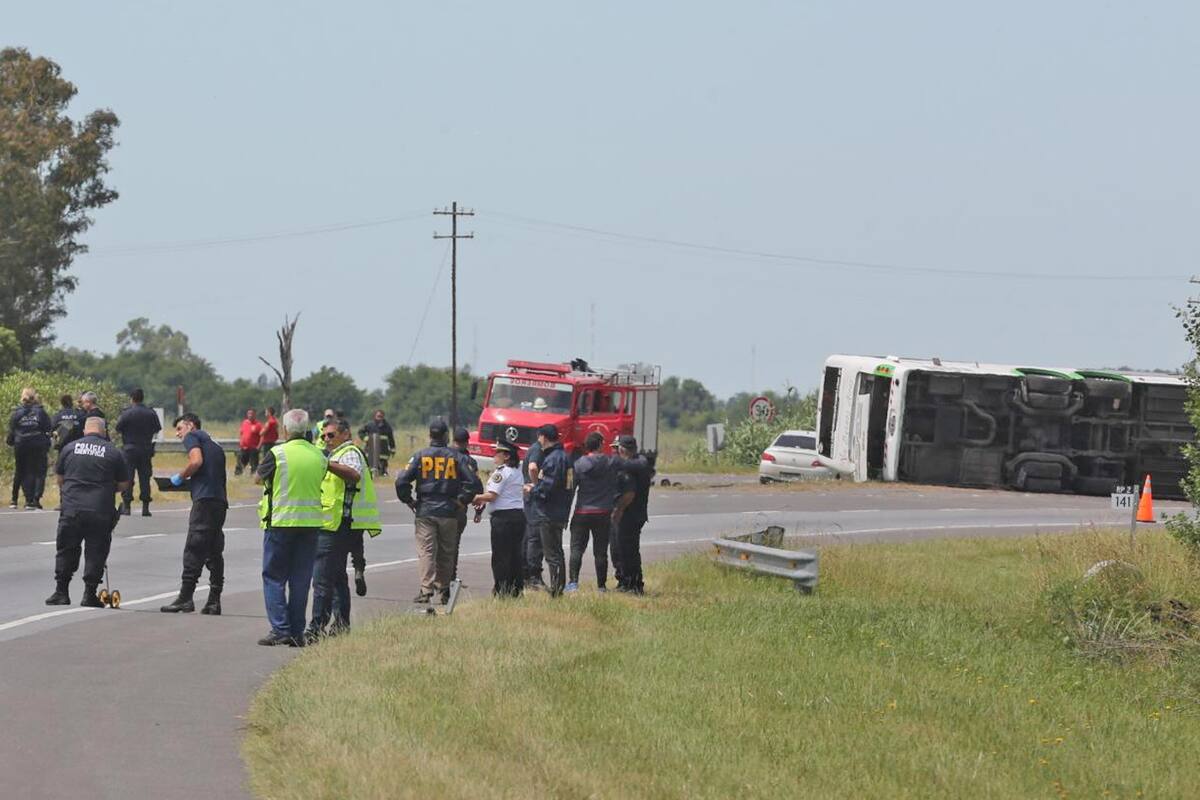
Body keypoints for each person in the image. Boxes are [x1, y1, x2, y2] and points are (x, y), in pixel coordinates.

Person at [255, 409, 327, 646]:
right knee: (300, 579)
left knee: (274, 576)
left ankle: (280, 628)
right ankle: (297, 631)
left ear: (285, 430)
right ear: (307, 430)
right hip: (311, 524)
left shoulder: (278, 453)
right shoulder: (318, 455)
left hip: (282, 522)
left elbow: (258, 478)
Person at [306, 417, 380, 641]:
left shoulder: (349, 452)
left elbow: (354, 474)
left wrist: (326, 464)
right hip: (334, 523)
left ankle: (316, 628)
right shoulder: (335, 454)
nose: (326, 439)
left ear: (345, 434)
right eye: (323, 436)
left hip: (338, 525)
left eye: (331, 435)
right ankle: (340, 625)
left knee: (321, 579)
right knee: (337, 578)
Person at [44, 417, 129, 606]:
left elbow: (60, 479)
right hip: (99, 510)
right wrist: (107, 488)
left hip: (71, 509)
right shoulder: (114, 452)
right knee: (96, 552)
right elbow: (124, 484)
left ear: (84, 431)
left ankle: (61, 592)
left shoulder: (69, 448)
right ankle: (89, 594)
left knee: (66, 550)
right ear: (104, 432)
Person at [394, 420, 476, 604]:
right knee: (447, 552)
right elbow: (473, 483)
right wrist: (461, 501)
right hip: (449, 510)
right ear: (447, 436)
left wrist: (409, 500)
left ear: (430, 436)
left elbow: (401, 481)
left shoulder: (420, 456)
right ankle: (444, 589)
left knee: (426, 551)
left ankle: (426, 589)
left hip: (425, 510)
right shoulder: (456, 457)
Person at [159, 413, 229, 615]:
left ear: (190, 425)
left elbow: (196, 461)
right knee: (214, 550)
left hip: (204, 503)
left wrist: (180, 476)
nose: (179, 434)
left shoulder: (193, 437)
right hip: (219, 502)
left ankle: (185, 597)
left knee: (194, 547)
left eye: (180, 429)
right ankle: (214, 600)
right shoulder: (215, 444)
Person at [472, 439, 525, 597]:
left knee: (501, 556)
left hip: (503, 519)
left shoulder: (501, 473)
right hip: (518, 516)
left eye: (497, 453)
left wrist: (475, 497)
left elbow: (492, 496)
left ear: (506, 456)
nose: (494, 455)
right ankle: (516, 589)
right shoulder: (517, 472)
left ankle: (501, 589)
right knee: (516, 555)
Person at [525, 424, 573, 597]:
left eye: (539, 437)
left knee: (552, 554)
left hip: (549, 512)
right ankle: (558, 588)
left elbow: (548, 487)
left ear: (544, 437)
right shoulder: (565, 457)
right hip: (560, 510)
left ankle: (557, 592)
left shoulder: (553, 459)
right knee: (557, 553)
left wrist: (533, 489)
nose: (539, 440)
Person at [567, 432, 618, 593]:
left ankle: (573, 583)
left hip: (582, 510)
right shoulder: (610, 463)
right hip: (603, 512)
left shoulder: (578, 464)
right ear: (601, 445)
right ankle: (601, 586)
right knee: (601, 551)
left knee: (576, 548)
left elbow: (570, 487)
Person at [612, 435, 654, 594]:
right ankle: (626, 582)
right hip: (630, 513)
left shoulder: (638, 464)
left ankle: (635, 584)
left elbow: (629, 494)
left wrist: (618, 510)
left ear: (622, 449)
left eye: (618, 449)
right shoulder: (634, 464)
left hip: (631, 514)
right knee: (621, 550)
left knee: (629, 551)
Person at [447, 426, 483, 601]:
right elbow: (476, 486)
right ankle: (450, 579)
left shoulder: (444, 456)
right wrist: (479, 509)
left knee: (436, 547)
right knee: (453, 546)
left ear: (454, 440)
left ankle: (435, 581)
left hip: (441, 506)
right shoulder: (470, 462)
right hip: (460, 508)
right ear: (467, 442)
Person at [115, 388, 162, 517]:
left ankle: (127, 506)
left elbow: (118, 428)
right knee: (145, 478)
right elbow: (157, 429)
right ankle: (145, 507)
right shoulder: (150, 413)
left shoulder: (127, 413)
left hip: (129, 449)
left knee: (128, 478)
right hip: (145, 448)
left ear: (132, 398)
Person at [7, 387, 53, 510]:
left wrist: (12, 440)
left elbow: (12, 428)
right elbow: (48, 427)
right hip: (38, 444)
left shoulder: (16, 412)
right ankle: (35, 499)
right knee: (39, 472)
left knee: (24, 471)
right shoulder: (40, 411)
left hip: (21, 444)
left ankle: (27, 499)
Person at [521, 434, 545, 589]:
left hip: (529, 498)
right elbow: (533, 467)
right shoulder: (537, 449)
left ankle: (526, 573)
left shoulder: (533, 449)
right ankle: (533, 575)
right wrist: (537, 486)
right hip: (533, 499)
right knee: (535, 537)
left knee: (529, 536)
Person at [358, 409, 396, 476]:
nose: (380, 418)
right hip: (371, 449)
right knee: (370, 463)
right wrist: (365, 438)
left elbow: (391, 438)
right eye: (378, 416)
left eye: (381, 416)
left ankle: (383, 472)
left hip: (383, 450)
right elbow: (360, 432)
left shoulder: (387, 426)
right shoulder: (370, 425)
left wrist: (393, 449)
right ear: (374, 416)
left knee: (383, 464)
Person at [235, 408, 262, 476]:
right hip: (244, 447)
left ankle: (253, 475)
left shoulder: (258, 425)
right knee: (240, 461)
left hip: (253, 448)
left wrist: (259, 446)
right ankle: (238, 474)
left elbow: (262, 436)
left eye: (252, 414)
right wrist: (241, 442)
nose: (250, 415)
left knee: (253, 464)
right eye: (249, 414)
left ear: (255, 415)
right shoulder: (244, 423)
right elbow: (241, 433)